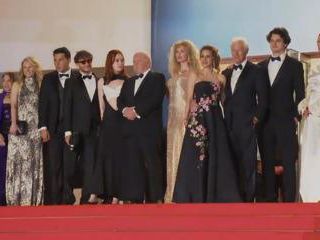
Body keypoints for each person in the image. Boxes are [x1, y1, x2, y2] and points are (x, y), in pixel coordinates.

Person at [173, 44, 242, 203]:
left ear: (213, 59)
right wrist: (186, 118)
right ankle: (193, 195)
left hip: (215, 119)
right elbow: (189, 98)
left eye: (208, 56)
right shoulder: (194, 74)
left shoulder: (221, 78)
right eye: (202, 56)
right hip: (198, 121)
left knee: (216, 154)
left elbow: (224, 101)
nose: (204, 59)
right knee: (195, 156)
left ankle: (217, 195)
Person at [259, 27, 305, 202]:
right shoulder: (261, 66)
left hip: (286, 121)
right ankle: (269, 204)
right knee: (267, 163)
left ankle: (289, 205)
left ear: (285, 43)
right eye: (272, 40)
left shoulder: (296, 65)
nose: (274, 44)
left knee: (288, 163)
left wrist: (296, 117)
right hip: (265, 123)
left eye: (278, 40)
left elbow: (300, 94)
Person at [222, 37, 268, 202]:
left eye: (239, 50)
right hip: (228, 125)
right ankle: (235, 199)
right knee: (231, 162)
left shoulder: (256, 71)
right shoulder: (225, 73)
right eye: (233, 50)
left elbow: (263, 99)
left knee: (248, 163)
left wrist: (256, 118)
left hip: (247, 124)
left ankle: (248, 200)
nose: (235, 53)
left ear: (246, 52)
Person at [117, 52, 165, 203]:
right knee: (133, 165)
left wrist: (136, 111)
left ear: (148, 63)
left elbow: (155, 99)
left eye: (138, 60)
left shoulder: (157, 78)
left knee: (152, 164)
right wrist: (125, 110)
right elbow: (120, 100)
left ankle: (155, 198)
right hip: (130, 131)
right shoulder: (129, 81)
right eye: (134, 61)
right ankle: (134, 197)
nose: (135, 63)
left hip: (149, 130)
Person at [39, 47, 78, 205]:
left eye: (60, 59)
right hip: (53, 129)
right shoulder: (48, 79)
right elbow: (43, 104)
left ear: (68, 59)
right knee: (54, 166)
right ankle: (54, 202)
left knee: (69, 166)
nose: (57, 63)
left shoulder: (77, 77)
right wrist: (43, 127)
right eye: (55, 60)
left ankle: (68, 200)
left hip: (73, 129)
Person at [165, 40, 200, 203]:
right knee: (172, 155)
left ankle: (182, 195)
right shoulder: (174, 75)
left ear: (189, 54)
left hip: (184, 119)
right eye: (177, 52)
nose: (179, 54)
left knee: (183, 155)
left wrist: (187, 118)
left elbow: (191, 98)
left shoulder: (193, 73)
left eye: (182, 51)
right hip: (172, 120)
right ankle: (171, 193)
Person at [64, 50, 101, 204]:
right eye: (83, 62)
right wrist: (67, 131)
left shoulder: (99, 80)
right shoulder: (71, 82)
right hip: (77, 130)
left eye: (89, 61)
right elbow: (67, 108)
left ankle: (87, 198)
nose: (87, 64)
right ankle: (68, 197)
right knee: (71, 166)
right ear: (77, 64)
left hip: (95, 129)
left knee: (90, 164)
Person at [6, 57, 43, 206]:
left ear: (35, 68)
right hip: (20, 130)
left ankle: (32, 199)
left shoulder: (40, 84)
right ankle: (16, 199)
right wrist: (14, 124)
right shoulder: (17, 84)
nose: (27, 69)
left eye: (30, 67)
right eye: (25, 67)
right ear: (22, 69)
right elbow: (13, 106)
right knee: (19, 163)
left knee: (32, 164)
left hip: (35, 131)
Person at [96, 49, 128, 204]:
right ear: (110, 62)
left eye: (122, 60)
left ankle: (121, 194)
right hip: (108, 125)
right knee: (108, 160)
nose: (120, 63)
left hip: (123, 124)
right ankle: (110, 194)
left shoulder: (129, 80)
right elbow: (101, 108)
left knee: (122, 159)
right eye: (117, 60)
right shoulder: (102, 81)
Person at [299, 33, 320, 202]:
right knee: (311, 158)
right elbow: (308, 95)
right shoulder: (314, 68)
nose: (319, 44)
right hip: (312, 119)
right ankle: (312, 199)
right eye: (318, 41)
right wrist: (303, 107)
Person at [0, 72, 14, 205]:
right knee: (3, 168)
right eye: (4, 81)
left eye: (9, 80)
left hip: (16, 137)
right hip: (2, 138)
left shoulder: (19, 96)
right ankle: (2, 199)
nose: (6, 83)